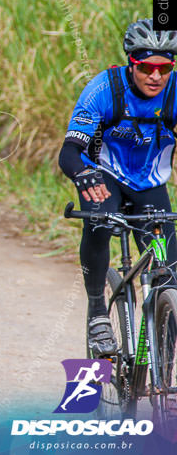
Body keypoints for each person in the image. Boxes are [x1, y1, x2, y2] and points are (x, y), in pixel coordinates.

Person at [59, 18, 177, 357]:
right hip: (104, 177)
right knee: (98, 219)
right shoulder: (103, 89)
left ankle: (163, 375)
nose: (156, 76)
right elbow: (69, 152)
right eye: (146, 67)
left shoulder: (175, 91)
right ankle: (98, 309)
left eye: (165, 67)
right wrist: (82, 174)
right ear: (131, 63)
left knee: (170, 274)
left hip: (149, 183)